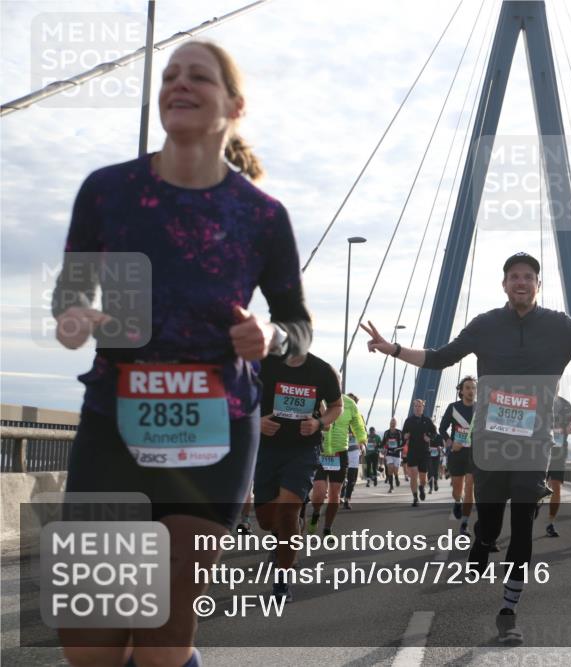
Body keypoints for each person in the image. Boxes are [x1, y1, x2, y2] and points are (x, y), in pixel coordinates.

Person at [51, 40, 311, 667]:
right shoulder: (108, 190)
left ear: (235, 106)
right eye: (170, 76)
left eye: (198, 76)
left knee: (163, 634)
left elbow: (298, 325)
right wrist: (74, 316)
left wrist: (269, 337)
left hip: (214, 428)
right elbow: (70, 291)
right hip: (115, 419)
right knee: (89, 644)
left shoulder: (262, 216)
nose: (179, 84)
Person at [362, 251, 571, 643]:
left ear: (538, 284)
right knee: (491, 523)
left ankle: (509, 610)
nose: (521, 282)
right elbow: (439, 358)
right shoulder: (485, 324)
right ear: (504, 284)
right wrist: (392, 348)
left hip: (534, 445)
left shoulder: (560, 325)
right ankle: (482, 540)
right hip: (490, 444)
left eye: (528, 276)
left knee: (524, 522)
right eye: (514, 276)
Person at [256, 353, 342, 601]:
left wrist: (318, 423)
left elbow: (336, 407)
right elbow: (235, 399)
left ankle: (282, 581)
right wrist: (256, 421)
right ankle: (285, 531)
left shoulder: (322, 369)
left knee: (288, 511)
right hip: (267, 448)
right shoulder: (262, 364)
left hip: (304, 449)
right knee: (266, 520)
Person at [309, 393, 365, 533]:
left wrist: (362, 440)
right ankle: (316, 512)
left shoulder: (349, 403)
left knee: (335, 495)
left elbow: (358, 423)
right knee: (319, 494)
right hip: (320, 452)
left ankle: (327, 528)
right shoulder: (318, 399)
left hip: (340, 453)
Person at [440, 376, 476, 535]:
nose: (471, 391)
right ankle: (457, 501)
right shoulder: (453, 407)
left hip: (473, 454)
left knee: (470, 487)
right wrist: (450, 442)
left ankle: (465, 523)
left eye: (473, 388)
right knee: (457, 488)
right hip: (457, 453)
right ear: (461, 391)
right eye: (467, 388)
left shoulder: (481, 408)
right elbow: (442, 429)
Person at [545, 391, 571, 537]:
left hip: (558, 453)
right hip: (538, 452)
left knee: (556, 487)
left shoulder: (566, 405)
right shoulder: (538, 400)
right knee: (534, 487)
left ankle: (550, 523)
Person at [402, 399, 436, 507]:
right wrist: (405, 436)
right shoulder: (408, 421)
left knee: (423, 477)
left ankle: (421, 487)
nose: (417, 408)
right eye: (416, 406)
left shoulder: (427, 420)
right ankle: (415, 497)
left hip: (424, 452)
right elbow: (403, 434)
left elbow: (434, 433)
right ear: (413, 408)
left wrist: (429, 437)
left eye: (419, 406)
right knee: (413, 475)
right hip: (412, 452)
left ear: (423, 408)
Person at [339, 393, 366, 508]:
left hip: (354, 449)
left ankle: (347, 498)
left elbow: (363, 431)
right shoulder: (340, 413)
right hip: (342, 448)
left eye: (352, 401)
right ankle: (340, 495)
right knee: (341, 475)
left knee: (352, 476)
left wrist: (363, 444)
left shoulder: (359, 416)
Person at [382, 418, 403, 491]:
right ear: (390, 423)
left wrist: (399, 448)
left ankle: (396, 477)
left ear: (396, 424)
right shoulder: (386, 433)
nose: (392, 424)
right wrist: (383, 447)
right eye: (391, 423)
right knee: (390, 469)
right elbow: (383, 442)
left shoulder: (399, 432)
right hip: (389, 453)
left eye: (394, 423)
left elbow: (402, 443)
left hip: (397, 453)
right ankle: (391, 486)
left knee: (395, 471)